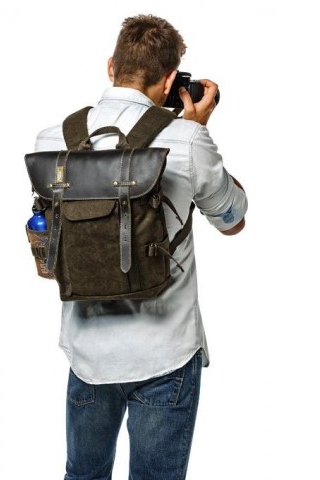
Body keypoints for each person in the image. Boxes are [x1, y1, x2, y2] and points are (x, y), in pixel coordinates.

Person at [33, 14, 248, 480]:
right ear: (171, 81)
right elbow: (233, 219)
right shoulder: (187, 139)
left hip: (88, 353)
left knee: (83, 476)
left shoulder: (52, 141)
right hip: (165, 353)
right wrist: (197, 129)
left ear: (111, 67)